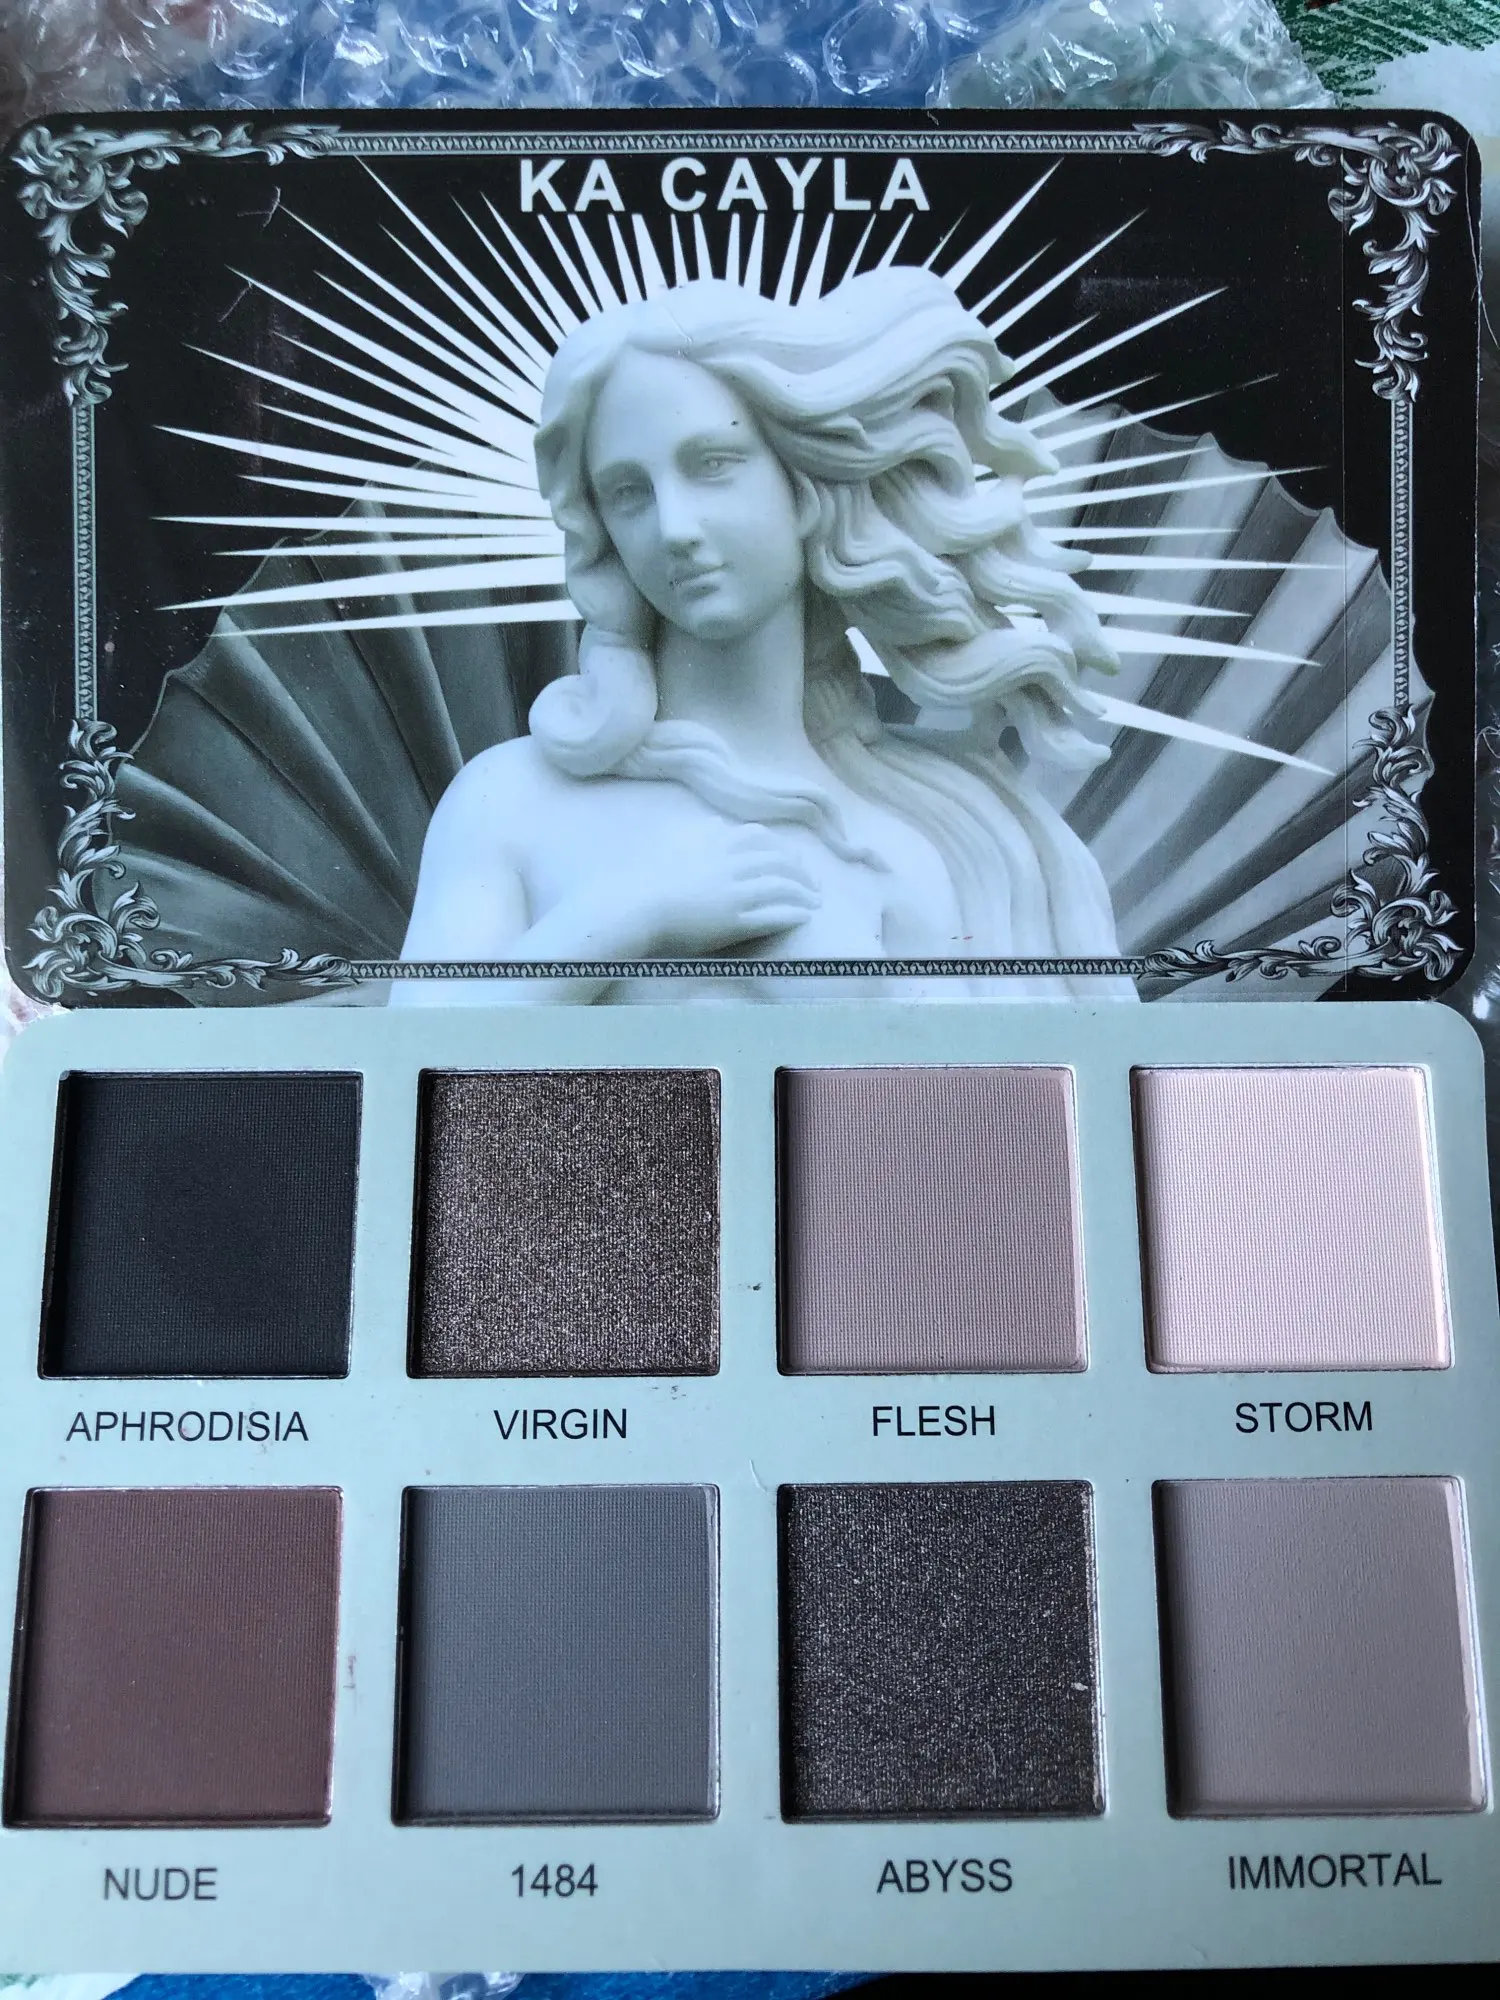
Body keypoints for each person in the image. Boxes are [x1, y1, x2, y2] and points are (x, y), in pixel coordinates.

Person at [392, 265, 1125, 1005]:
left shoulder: (945, 832)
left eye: (713, 465)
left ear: (803, 486)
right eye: (628, 492)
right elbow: (416, 1059)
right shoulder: (510, 800)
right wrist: (628, 918)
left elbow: (1022, 1078)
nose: (674, 528)